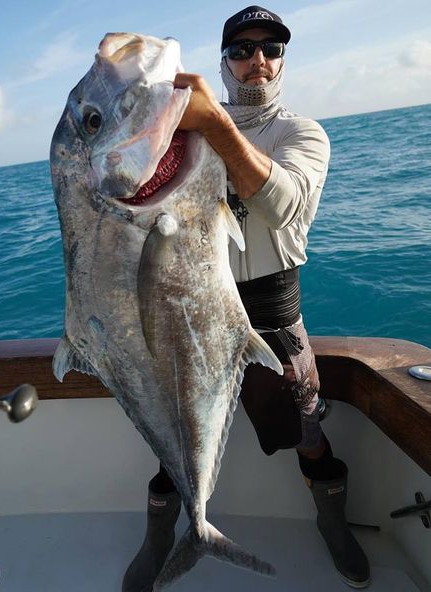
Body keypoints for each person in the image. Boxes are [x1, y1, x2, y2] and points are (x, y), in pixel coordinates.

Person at [123, 5, 370, 591]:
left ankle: (331, 521)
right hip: (191, 308)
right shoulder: (184, 131)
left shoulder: (300, 133)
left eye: (270, 48)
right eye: (242, 49)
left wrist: (212, 124)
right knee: (173, 438)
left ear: (281, 60)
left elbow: (282, 203)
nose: (256, 59)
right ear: (225, 62)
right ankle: (163, 534)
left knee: (305, 432)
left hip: (271, 314)